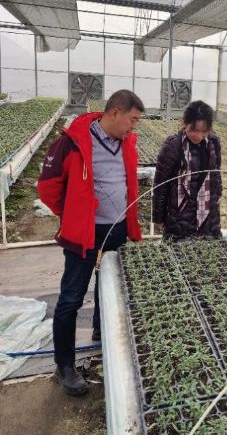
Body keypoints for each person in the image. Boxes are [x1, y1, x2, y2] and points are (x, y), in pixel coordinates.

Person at [38, 89, 144, 396]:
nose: (134, 126)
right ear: (115, 113)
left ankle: (100, 329)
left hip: (117, 229)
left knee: (109, 285)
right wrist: (72, 214)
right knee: (71, 297)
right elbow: (48, 187)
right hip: (84, 232)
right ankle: (64, 366)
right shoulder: (72, 143)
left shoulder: (127, 143)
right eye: (132, 119)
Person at [153, 100, 222, 240]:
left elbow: (216, 174)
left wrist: (217, 194)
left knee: (208, 249)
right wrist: (158, 217)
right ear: (185, 122)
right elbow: (161, 185)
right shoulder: (173, 145)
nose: (199, 136)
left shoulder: (213, 142)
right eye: (194, 130)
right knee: (178, 250)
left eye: (204, 131)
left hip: (208, 213)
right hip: (179, 217)